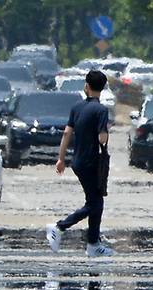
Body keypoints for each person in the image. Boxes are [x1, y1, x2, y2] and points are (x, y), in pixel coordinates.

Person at [46, 70, 115, 257]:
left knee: (95, 201)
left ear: (86, 86)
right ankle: (59, 227)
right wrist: (105, 130)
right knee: (95, 204)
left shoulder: (76, 107)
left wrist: (61, 159)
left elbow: (67, 133)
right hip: (92, 162)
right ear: (103, 88)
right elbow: (102, 139)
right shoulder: (101, 110)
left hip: (77, 162)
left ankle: (93, 244)